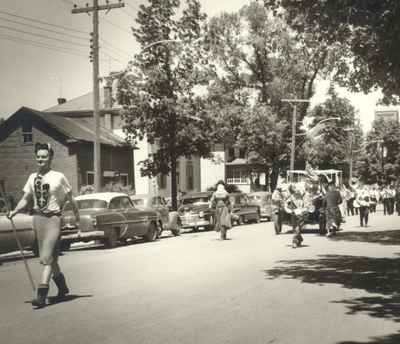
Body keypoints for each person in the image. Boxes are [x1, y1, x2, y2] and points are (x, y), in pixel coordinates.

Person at [8, 143, 80, 309]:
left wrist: (77, 217)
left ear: (50, 157)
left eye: (44, 156)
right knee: (52, 259)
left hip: (54, 219)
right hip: (38, 220)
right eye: (38, 156)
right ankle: (63, 288)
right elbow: (26, 199)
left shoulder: (59, 176)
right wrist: (15, 211)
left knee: (46, 257)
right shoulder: (32, 177)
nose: (41, 159)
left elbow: (71, 198)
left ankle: (41, 296)